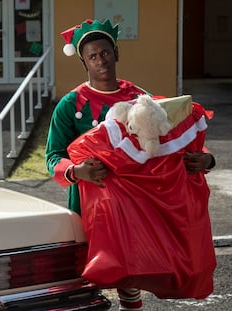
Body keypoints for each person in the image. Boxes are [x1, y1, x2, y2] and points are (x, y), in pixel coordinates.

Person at [45, 19, 215, 311]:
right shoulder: (71, 104)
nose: (101, 61)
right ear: (84, 63)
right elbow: (53, 157)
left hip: (135, 205)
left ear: (116, 53)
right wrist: (77, 171)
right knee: (84, 277)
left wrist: (207, 158)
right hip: (88, 208)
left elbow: (171, 137)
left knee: (130, 276)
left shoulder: (140, 98)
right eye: (93, 56)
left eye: (106, 52)